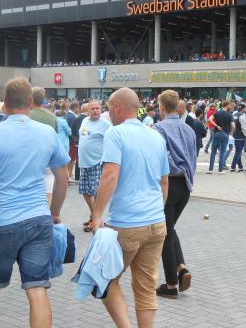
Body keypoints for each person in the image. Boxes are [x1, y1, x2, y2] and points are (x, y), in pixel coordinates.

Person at [0, 78, 70, 328]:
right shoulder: (47, 133)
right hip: (38, 219)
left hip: (2, 223)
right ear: (31, 103)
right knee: (37, 287)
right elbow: (62, 176)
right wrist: (54, 213)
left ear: (5, 104)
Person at [92, 87, 169, 328]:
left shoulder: (115, 134)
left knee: (105, 280)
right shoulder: (156, 135)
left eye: (108, 107)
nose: (107, 112)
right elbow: (164, 180)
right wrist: (158, 211)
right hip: (156, 223)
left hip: (126, 224)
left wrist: (95, 215)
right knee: (146, 286)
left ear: (117, 107)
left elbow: (110, 176)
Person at [153, 90, 196, 299]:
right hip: (185, 186)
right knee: (169, 228)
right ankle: (181, 268)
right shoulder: (188, 129)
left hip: (168, 183)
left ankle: (171, 285)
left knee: (165, 235)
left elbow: (163, 159)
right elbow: (193, 158)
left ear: (161, 107)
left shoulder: (158, 129)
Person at [77, 100, 111, 232]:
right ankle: (94, 215)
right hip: (84, 162)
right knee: (85, 191)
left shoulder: (105, 124)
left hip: (97, 162)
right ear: (88, 110)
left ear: (101, 109)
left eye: (97, 108)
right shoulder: (85, 121)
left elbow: (110, 142)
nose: (95, 111)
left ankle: (97, 220)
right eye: (93, 109)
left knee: (97, 192)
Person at [29, 87, 58, 206]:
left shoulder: (27, 115)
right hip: (47, 158)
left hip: (29, 158)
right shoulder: (52, 117)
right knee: (48, 190)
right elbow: (54, 138)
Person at [207, 100, 234, 174]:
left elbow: (209, 119)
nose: (230, 106)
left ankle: (210, 169)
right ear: (227, 105)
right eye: (230, 105)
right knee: (222, 152)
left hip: (217, 133)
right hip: (225, 134)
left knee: (213, 151)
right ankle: (220, 170)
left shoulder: (217, 112)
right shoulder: (229, 115)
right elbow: (233, 126)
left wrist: (216, 126)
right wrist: (231, 133)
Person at [230, 104, 246, 172]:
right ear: (243, 109)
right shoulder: (242, 116)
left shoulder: (235, 115)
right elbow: (244, 127)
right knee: (238, 152)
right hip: (241, 136)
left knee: (238, 152)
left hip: (235, 135)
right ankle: (233, 166)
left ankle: (240, 167)